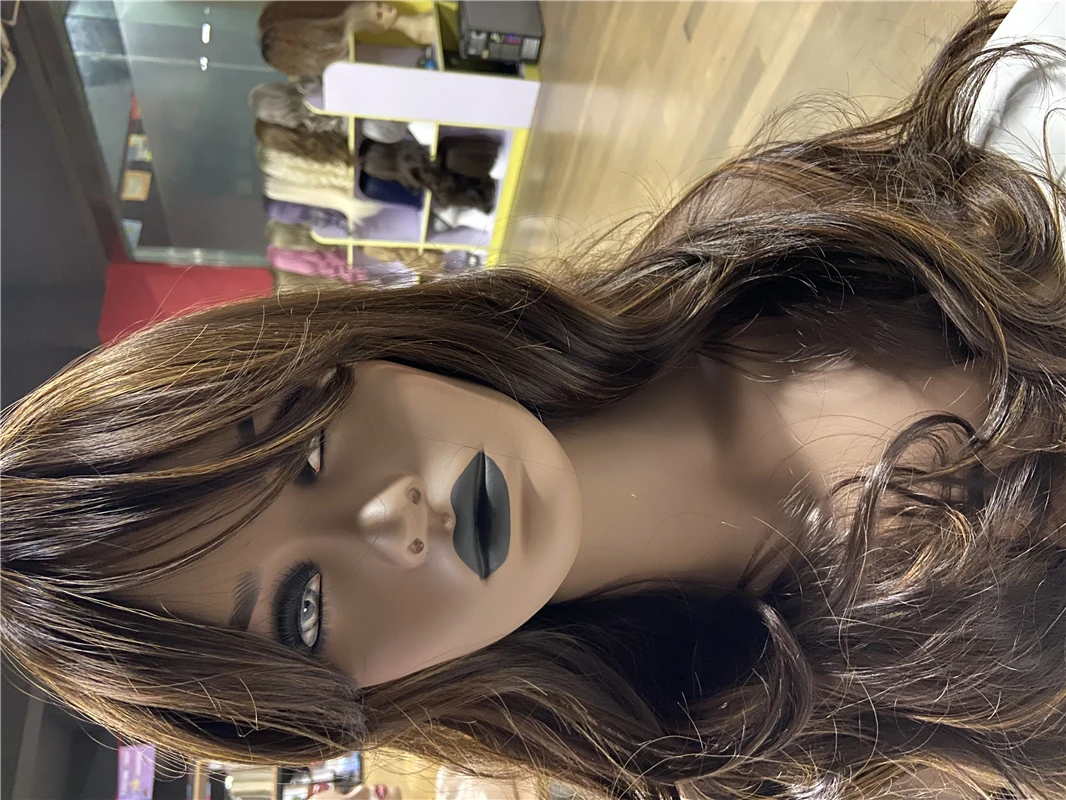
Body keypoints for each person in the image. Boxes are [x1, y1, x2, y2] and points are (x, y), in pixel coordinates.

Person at [2, 4, 1064, 799]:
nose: (394, 519)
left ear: (338, 355)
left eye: (304, 449)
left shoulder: (777, 240)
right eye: (303, 610)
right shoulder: (780, 758)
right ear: (353, 697)